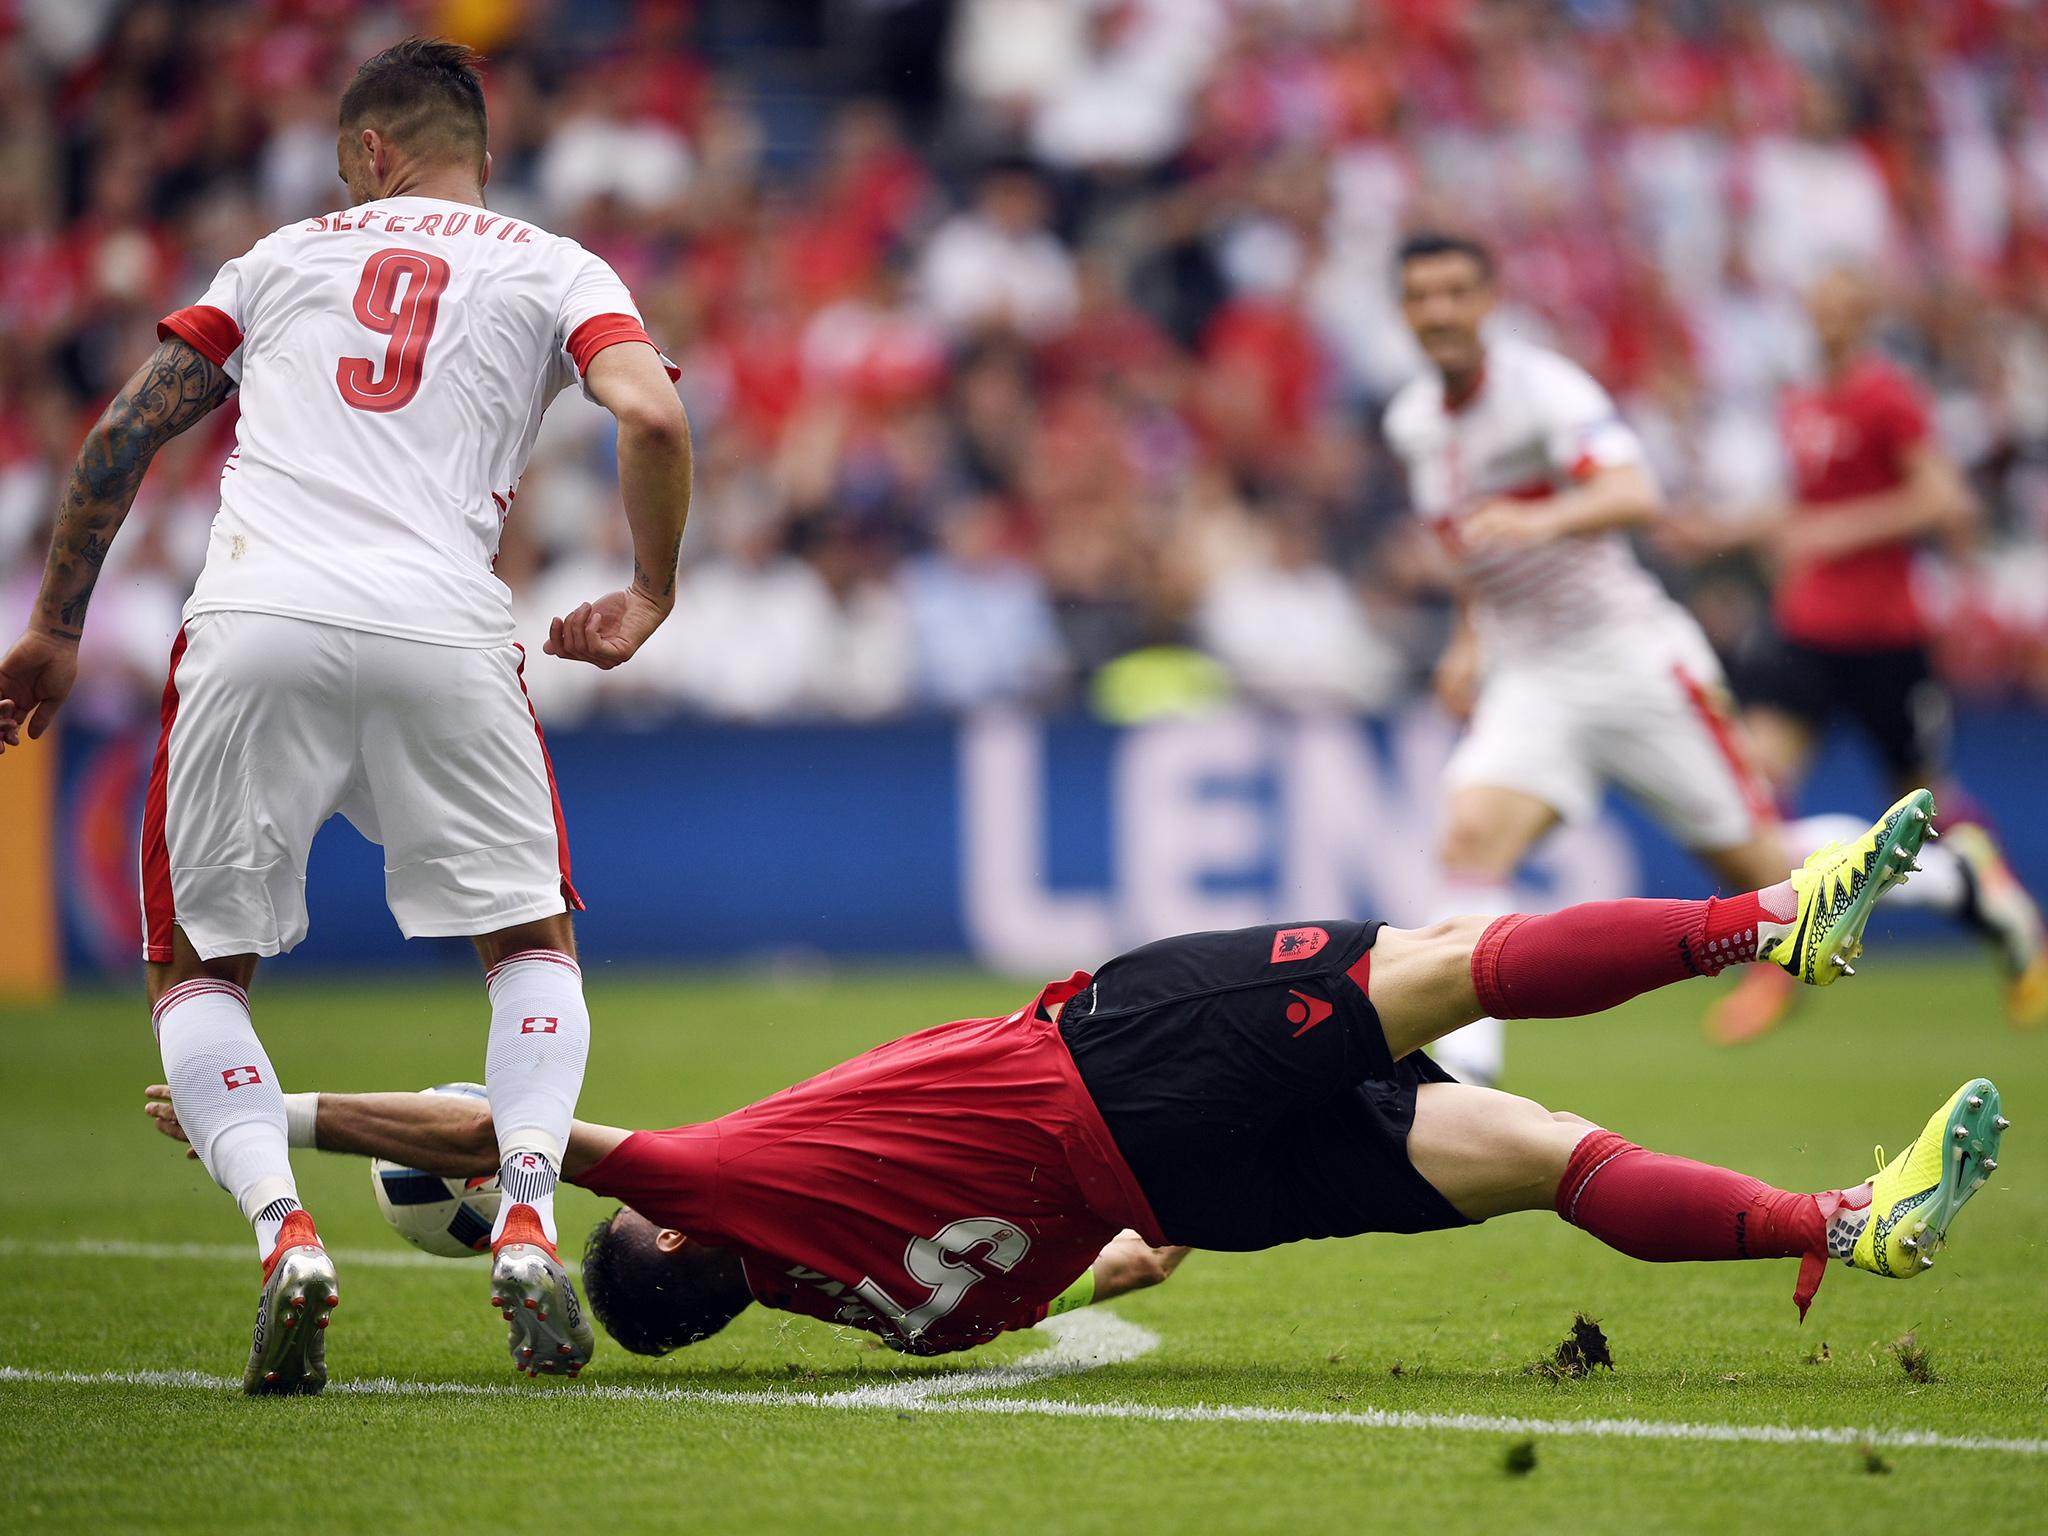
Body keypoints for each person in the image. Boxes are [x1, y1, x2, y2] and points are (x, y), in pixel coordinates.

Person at [146, 794, 2007, 1368]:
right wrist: (269, 1113)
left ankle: (1842, 1224)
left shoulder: (892, 1319)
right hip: (1121, 1068)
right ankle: (1768, 921)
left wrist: (1161, 1235)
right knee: (1430, 955)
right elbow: (494, 1123)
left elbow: (1099, 1260)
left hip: (1170, 1189)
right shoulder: (712, 1181)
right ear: (662, 1237)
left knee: (1534, 1154)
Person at [0, 40, 693, 1394]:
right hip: (446, 626)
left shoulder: (279, 259)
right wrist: (649, 590)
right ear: (477, 154)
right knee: (529, 948)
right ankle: (535, 1221)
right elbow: (654, 416)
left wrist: (56, 627)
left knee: (198, 975)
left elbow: (119, 440)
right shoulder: (559, 267)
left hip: (254, 622)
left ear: (370, 152)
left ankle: (283, 1237)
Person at [1382, 232, 1795, 1083]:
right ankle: (1466, 1072)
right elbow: (1467, 548)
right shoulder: (1413, 422)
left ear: (1489, 300)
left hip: (1628, 658)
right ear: (1404, 310)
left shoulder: (1544, 390)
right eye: (1422, 296)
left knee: (1770, 877)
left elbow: (1633, 492)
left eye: (1456, 292)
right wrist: (1469, 638)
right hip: (1531, 673)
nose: (1440, 312)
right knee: (1469, 833)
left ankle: (1954, 883)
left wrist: (1539, 517)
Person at [1685, 267, 2047, 1032]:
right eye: (1820, 308)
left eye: (1845, 310)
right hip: (1808, 629)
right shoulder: (1799, 400)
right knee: (1756, 781)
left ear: (1864, 316)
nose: (1830, 323)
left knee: (1927, 801)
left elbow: (1943, 497)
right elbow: (1804, 506)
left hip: (1885, 636)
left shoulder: (1887, 397)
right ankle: (1777, 963)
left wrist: (1840, 530)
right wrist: (1724, 529)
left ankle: (2020, 940)